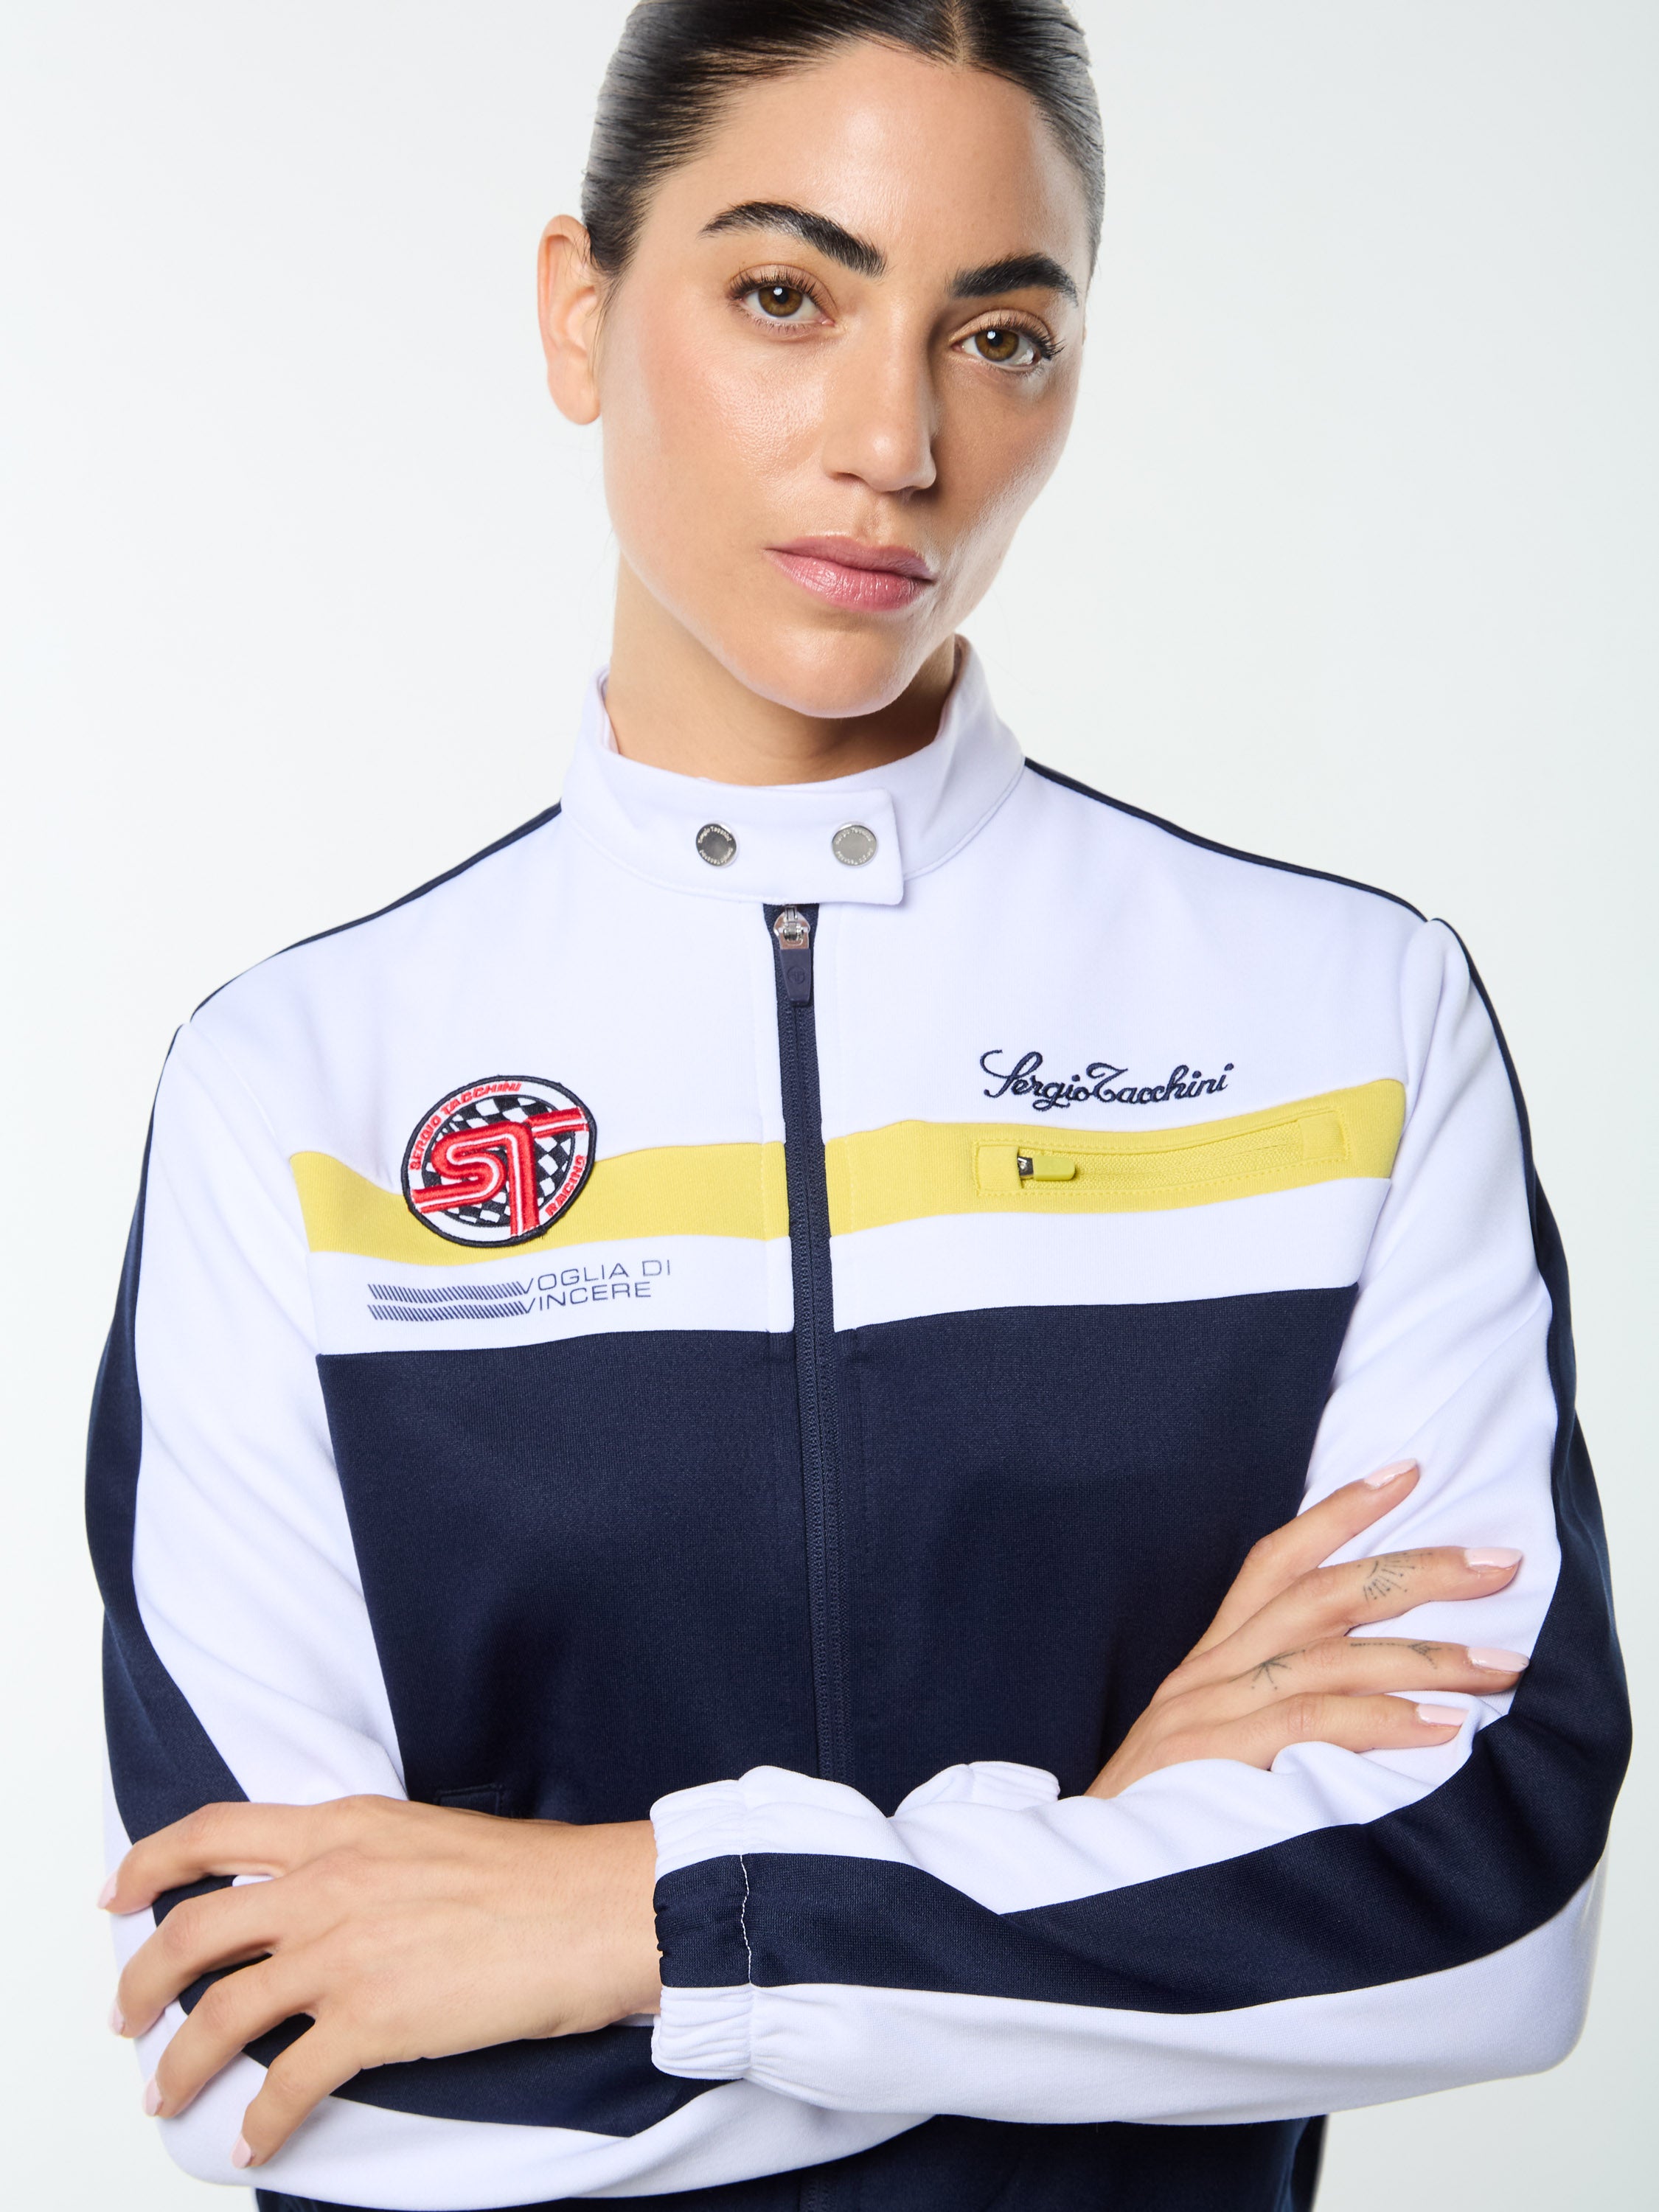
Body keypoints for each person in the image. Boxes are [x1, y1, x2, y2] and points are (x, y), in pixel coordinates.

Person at [88, 5, 1628, 2209]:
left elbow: (1473, 1909)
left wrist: (635, 1918)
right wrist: (1105, 1859)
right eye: (785, 296)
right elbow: (293, 2054)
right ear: (582, 310)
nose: (896, 442)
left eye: (999, 337)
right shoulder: (295, 1089)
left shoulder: (1346, 1024)